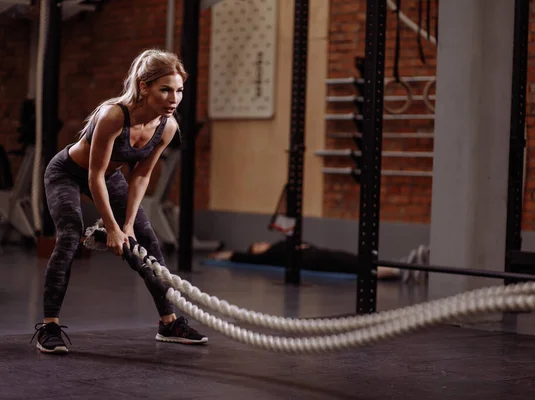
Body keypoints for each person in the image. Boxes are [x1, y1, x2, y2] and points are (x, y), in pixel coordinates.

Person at [31, 49, 207, 354]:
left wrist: (127, 225)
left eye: (178, 90)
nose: (174, 98)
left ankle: (168, 323)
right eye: (165, 89)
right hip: (68, 173)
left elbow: (141, 176)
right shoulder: (114, 115)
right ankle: (49, 327)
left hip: (111, 177)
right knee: (70, 235)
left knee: (147, 239)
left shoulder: (167, 127)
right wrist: (112, 228)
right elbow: (93, 174)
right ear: (144, 86)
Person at [209, 240, 403, 280]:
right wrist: (221, 255)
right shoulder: (266, 257)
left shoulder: (277, 245)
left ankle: (392, 267)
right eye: (257, 245)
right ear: (255, 251)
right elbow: (238, 256)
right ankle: (394, 271)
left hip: (320, 252)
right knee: (349, 265)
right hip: (313, 260)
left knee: (349, 258)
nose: (261, 243)